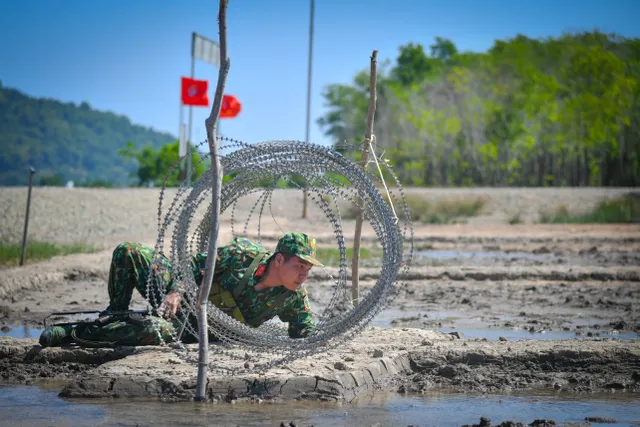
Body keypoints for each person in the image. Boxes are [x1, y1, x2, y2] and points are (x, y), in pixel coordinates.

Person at [39, 232, 322, 347]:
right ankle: (115, 313)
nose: (305, 274)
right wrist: (175, 290)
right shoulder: (243, 254)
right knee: (130, 251)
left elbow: (304, 330)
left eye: (309, 269)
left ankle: (76, 333)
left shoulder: (293, 299)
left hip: (191, 329)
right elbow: (192, 263)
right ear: (280, 259)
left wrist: (324, 333)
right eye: (300, 266)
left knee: (154, 330)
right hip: (177, 298)